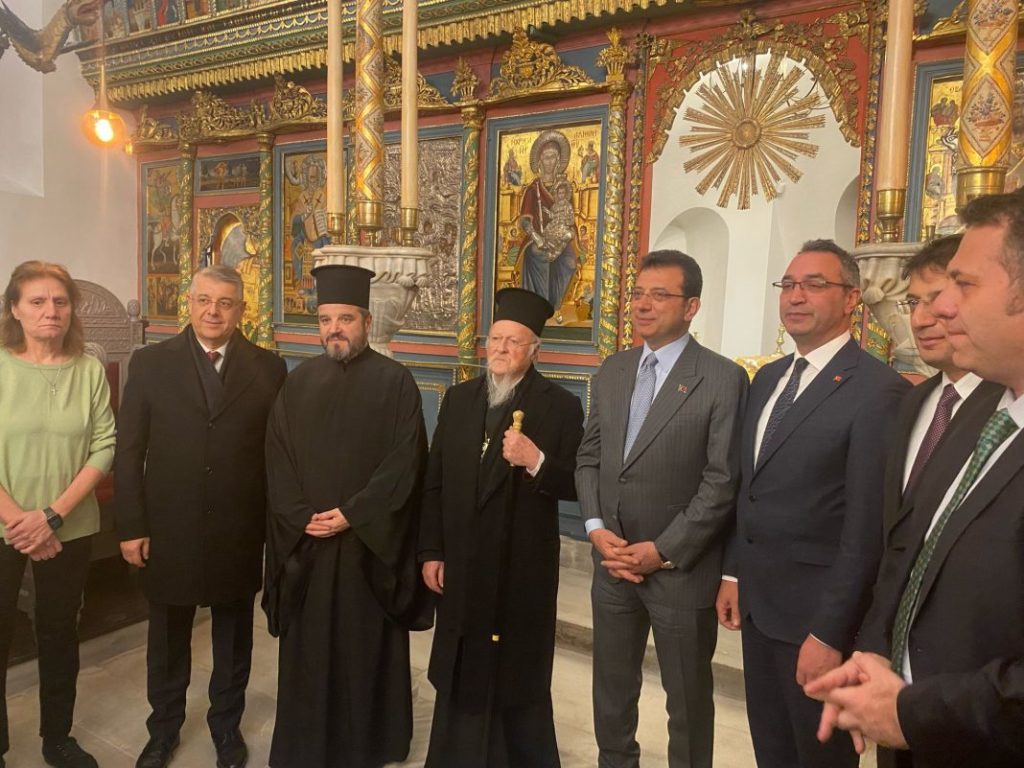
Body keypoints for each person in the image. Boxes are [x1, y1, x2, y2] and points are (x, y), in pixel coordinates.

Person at [807, 189, 1024, 768]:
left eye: (964, 286)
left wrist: (912, 710)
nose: (939, 311)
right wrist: (881, 655)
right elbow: (912, 555)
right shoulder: (996, 419)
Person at [716, 239, 909, 768]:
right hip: (759, 610)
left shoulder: (877, 391)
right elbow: (749, 488)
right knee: (772, 750)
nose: (796, 296)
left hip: (815, 620)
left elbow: (866, 529)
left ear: (851, 299)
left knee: (816, 757)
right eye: (789, 285)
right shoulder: (768, 378)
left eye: (815, 285)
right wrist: (734, 574)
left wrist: (829, 632)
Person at [576, 249, 749, 768]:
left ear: (691, 305)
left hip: (679, 570)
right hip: (613, 564)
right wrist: (595, 527)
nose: (643, 305)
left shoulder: (720, 378)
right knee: (611, 692)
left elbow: (722, 480)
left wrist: (665, 550)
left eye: (659, 294)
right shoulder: (614, 370)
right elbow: (590, 459)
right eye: (637, 293)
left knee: (688, 702)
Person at [114, 265, 286, 768]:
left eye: (225, 302)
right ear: (187, 303)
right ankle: (162, 730)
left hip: (238, 527)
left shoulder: (268, 367)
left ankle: (226, 728)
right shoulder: (150, 364)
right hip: (168, 527)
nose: (213, 311)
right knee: (167, 639)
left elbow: (277, 454)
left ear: (241, 309)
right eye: (204, 300)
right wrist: (131, 525)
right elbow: (129, 451)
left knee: (234, 639)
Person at [263, 264, 429, 768]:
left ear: (365, 320)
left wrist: (352, 514)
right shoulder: (298, 382)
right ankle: (308, 745)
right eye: (325, 318)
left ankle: (369, 744)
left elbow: (405, 462)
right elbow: (277, 456)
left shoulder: (396, 382)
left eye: (345, 318)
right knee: (310, 649)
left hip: (365, 547)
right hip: (309, 543)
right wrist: (300, 516)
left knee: (364, 648)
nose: (334, 328)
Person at [420, 288, 584, 767]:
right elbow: (434, 481)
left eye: (514, 342)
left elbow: (576, 484)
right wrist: (431, 550)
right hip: (463, 564)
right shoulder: (459, 398)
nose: (501, 350)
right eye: (495, 339)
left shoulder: (560, 406)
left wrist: (536, 461)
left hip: (519, 571)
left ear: (535, 350)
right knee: (461, 665)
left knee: (515, 673)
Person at [0, 261, 116, 768]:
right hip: (4, 526)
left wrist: (51, 516)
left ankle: (57, 738)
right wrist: (21, 522)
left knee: (58, 632)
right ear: (14, 310)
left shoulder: (88, 369)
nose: (51, 311)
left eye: (61, 302)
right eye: (38, 302)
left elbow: (104, 446)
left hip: (69, 524)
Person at [883, 235, 1002, 531]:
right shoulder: (914, 399)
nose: (920, 319)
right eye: (912, 302)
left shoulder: (1008, 405)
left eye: (936, 298)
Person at [519, 131, 579, 310]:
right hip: (537, 238)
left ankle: (555, 305)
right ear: (539, 161)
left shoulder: (565, 188)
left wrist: (569, 234)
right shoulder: (533, 189)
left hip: (559, 238)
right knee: (539, 255)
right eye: (546, 158)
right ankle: (539, 307)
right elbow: (525, 221)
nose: (550, 162)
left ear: (559, 160)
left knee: (569, 263)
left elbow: (569, 217)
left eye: (553, 157)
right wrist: (536, 237)